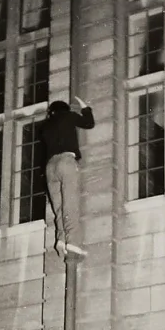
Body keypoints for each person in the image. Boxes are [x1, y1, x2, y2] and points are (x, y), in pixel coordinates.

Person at [40, 96, 94, 258]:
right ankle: (72, 243)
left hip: (50, 167)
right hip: (66, 161)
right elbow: (89, 123)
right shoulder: (68, 116)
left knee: (59, 207)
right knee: (70, 203)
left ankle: (61, 239)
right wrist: (85, 107)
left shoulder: (45, 126)